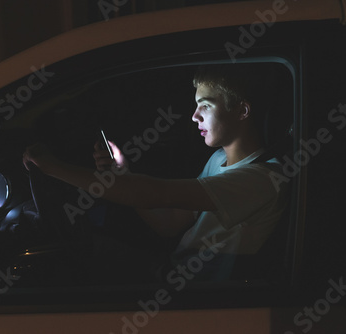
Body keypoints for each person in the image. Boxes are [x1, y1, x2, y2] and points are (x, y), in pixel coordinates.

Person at [23, 64, 289, 281]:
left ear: (242, 110)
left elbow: (156, 194)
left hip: (199, 297)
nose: (194, 116)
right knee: (84, 249)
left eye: (205, 106)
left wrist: (52, 167)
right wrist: (122, 172)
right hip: (172, 273)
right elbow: (169, 224)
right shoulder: (219, 159)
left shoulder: (263, 178)